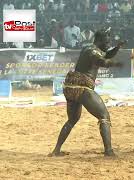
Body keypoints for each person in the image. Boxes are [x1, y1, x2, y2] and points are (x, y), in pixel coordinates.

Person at [49, 27, 125, 157]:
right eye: (106, 43)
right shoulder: (93, 52)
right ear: (99, 41)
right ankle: (109, 151)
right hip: (82, 88)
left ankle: (56, 150)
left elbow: (106, 54)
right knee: (104, 116)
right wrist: (114, 64)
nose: (108, 45)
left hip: (71, 88)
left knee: (72, 120)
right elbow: (100, 60)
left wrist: (117, 48)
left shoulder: (88, 48)